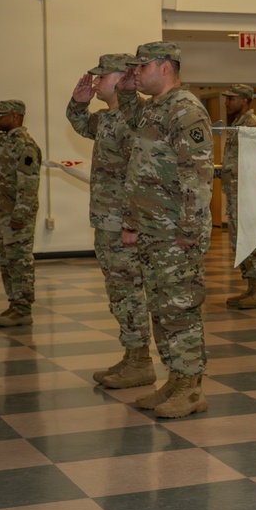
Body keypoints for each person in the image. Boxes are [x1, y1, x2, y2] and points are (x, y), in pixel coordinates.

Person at [118, 41, 213, 418]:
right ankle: (175, 379)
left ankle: (191, 389)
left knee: (180, 309)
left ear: (164, 66)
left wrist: (188, 231)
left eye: (141, 67)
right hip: (154, 229)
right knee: (161, 308)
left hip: (176, 230)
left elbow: (199, 175)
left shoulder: (186, 110)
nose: (136, 73)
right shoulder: (153, 108)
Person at [67, 54, 154, 387]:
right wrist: (78, 104)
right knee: (119, 292)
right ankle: (133, 356)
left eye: (101, 77)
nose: (95, 82)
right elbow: (81, 124)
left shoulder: (136, 121)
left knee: (128, 291)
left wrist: (131, 222)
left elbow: (141, 176)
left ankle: (142, 361)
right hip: (107, 220)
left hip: (123, 222)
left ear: (122, 79)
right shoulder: (108, 118)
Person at [0, 100, 42, 327]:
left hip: (17, 214)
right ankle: (14, 305)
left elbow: (28, 185)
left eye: (3, 115)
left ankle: (23, 308)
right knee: (8, 262)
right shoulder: (3, 141)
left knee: (20, 262)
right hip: (3, 212)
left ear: (16, 117)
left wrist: (20, 216)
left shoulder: (25, 145)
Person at [220, 84, 256, 309]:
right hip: (236, 192)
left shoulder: (253, 125)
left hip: (249, 194)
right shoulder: (238, 125)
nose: (226, 102)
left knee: (252, 240)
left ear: (244, 101)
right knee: (240, 242)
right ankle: (251, 287)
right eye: (226, 98)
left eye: (231, 99)